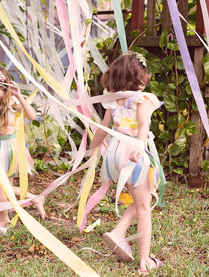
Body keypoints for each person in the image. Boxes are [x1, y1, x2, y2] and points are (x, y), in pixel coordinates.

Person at [89, 51, 164, 275]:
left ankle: (119, 232)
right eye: (139, 80)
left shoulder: (112, 98)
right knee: (144, 209)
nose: (142, 85)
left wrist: (91, 149)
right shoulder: (141, 99)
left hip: (116, 153)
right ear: (129, 78)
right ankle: (144, 262)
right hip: (133, 151)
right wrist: (140, 150)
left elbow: (104, 126)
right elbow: (142, 127)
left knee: (146, 197)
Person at [0, 66, 46, 227]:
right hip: (0, 147)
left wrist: (19, 96)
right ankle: (36, 199)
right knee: (7, 186)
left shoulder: (13, 101)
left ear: (5, 88)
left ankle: (4, 218)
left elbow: (31, 116)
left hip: (12, 148)